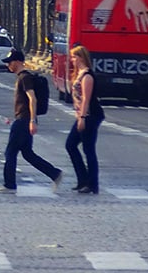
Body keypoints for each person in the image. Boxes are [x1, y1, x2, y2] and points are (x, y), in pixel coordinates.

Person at [0, 49, 64, 194]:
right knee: (27, 153)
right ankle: (54, 173)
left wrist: (32, 120)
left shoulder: (24, 78)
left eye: (10, 62)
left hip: (24, 121)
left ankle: (10, 184)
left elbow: (32, 98)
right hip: (23, 119)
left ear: (18, 61)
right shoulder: (23, 77)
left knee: (10, 153)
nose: (8, 65)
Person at [65, 45, 105, 194]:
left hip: (90, 116)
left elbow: (86, 99)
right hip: (83, 115)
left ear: (81, 58)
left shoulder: (87, 76)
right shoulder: (79, 74)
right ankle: (83, 179)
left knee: (88, 150)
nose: (72, 60)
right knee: (71, 145)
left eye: (74, 57)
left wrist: (82, 118)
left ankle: (92, 184)